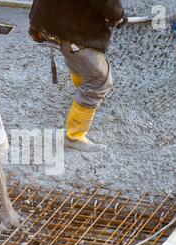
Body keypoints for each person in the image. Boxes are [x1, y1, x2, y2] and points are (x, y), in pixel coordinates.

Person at [29, 0, 126, 153]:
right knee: (100, 80)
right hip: (72, 30)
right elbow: (109, 6)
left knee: (75, 55)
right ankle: (74, 137)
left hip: (44, 21)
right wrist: (118, 16)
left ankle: (82, 94)